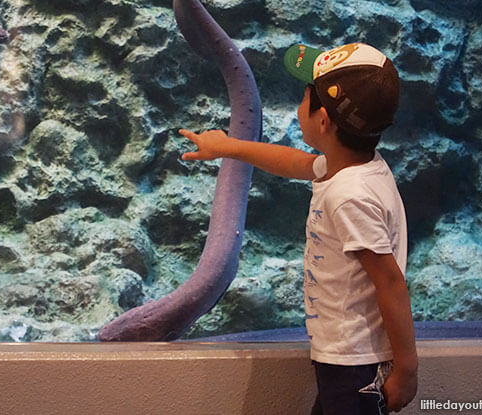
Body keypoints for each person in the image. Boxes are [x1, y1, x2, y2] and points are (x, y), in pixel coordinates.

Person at [178, 42, 417, 414]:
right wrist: (229, 147)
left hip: (356, 363)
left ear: (323, 120)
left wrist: (407, 369)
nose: (299, 104)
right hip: (344, 355)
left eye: (305, 96)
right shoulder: (351, 166)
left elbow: (389, 282)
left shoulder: (350, 194)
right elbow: (296, 163)